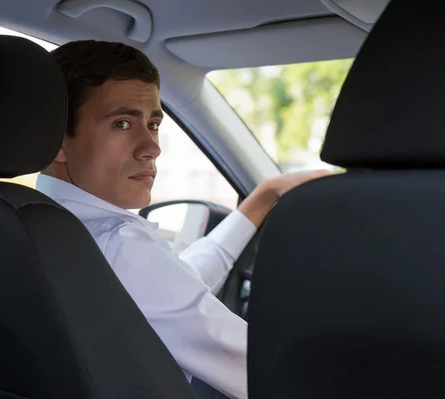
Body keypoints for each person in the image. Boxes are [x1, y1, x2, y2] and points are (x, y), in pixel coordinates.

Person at [36, 40, 331, 399]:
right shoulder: (120, 245)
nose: (152, 147)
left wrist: (261, 199)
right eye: (123, 123)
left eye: (154, 123)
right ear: (56, 139)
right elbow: (265, 372)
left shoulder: (22, 224)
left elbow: (172, 290)